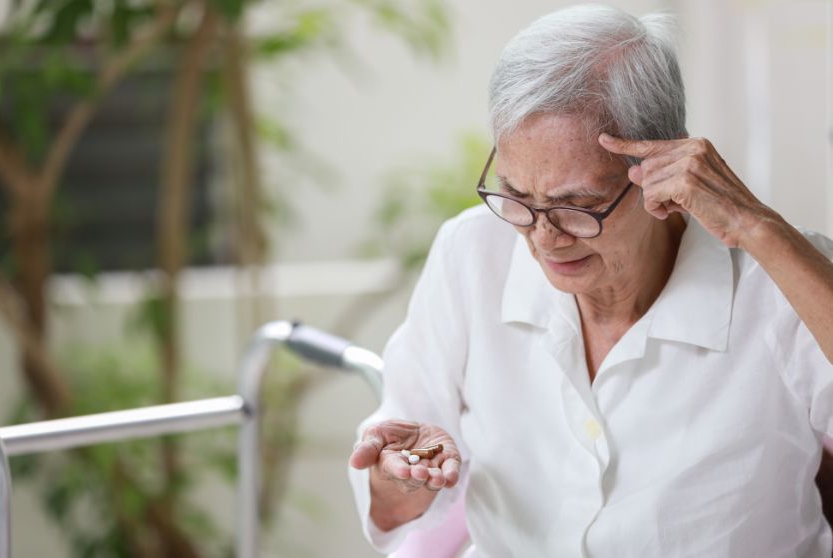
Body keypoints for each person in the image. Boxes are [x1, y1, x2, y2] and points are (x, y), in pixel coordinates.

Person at [348, 5, 833, 557]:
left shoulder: (779, 281)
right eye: (517, 196)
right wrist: (401, 477)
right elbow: (392, 503)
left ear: (668, 164)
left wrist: (757, 227)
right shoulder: (472, 253)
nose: (543, 237)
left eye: (577, 205)